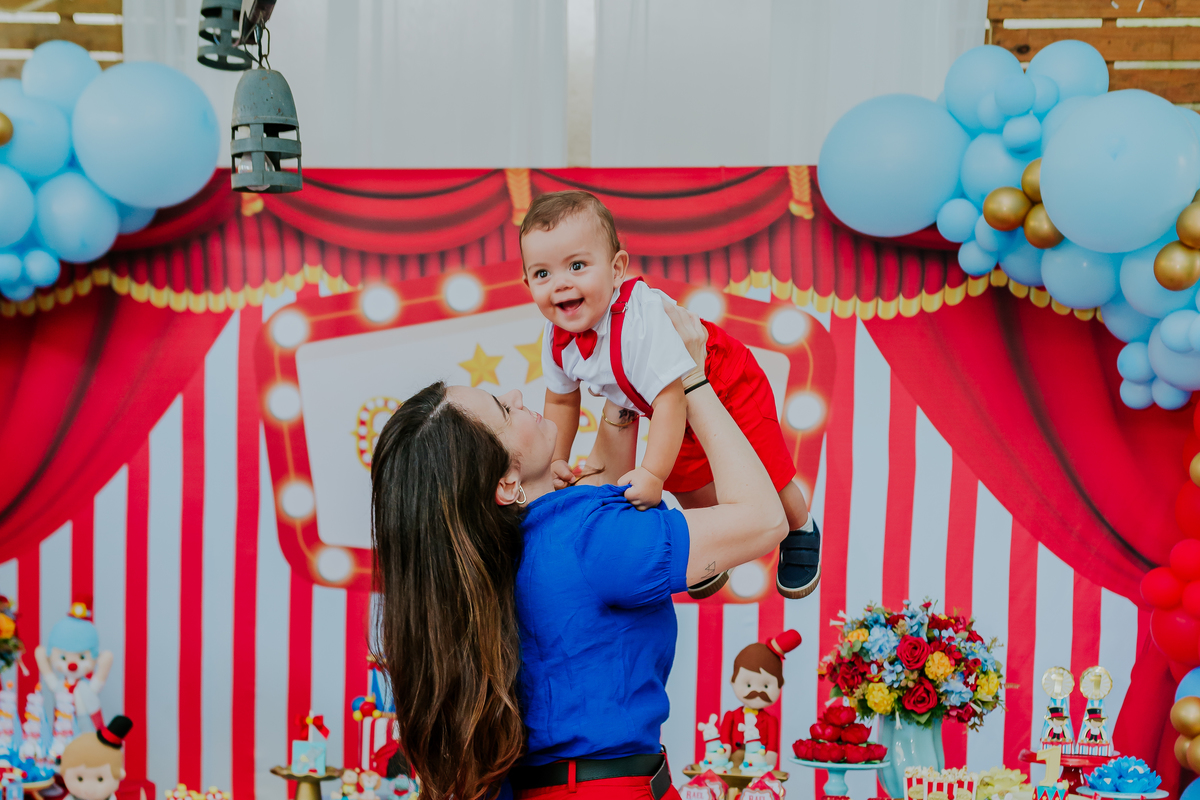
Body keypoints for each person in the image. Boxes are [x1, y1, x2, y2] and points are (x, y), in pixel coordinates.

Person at [371, 303, 789, 800]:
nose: (516, 395)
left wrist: (621, 373)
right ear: (505, 482)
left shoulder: (502, 547)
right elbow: (765, 519)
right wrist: (691, 377)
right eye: (503, 410)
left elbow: (605, 485)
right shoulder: (587, 538)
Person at [519, 190, 819, 600]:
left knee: (765, 470)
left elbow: (671, 399)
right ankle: (714, 544)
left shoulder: (639, 320)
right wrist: (557, 458)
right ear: (527, 283)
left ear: (616, 269)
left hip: (724, 382)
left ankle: (801, 526)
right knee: (685, 479)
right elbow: (561, 399)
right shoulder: (555, 338)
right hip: (661, 404)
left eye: (577, 266)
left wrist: (652, 474)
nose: (561, 284)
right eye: (542, 274)